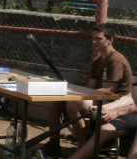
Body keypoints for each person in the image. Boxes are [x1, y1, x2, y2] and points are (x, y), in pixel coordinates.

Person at [40, 23, 132, 152]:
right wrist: (73, 92)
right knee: (53, 101)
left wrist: (77, 94)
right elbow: (90, 87)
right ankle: (54, 142)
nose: (94, 42)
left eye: (98, 39)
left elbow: (109, 90)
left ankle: (84, 148)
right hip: (99, 98)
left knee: (73, 103)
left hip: (114, 102)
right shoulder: (97, 60)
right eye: (92, 38)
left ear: (110, 40)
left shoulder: (115, 61)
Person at [36, 84, 137, 159]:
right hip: (127, 111)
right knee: (74, 103)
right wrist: (104, 108)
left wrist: (117, 112)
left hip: (131, 113)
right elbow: (130, 97)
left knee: (104, 130)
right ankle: (81, 155)